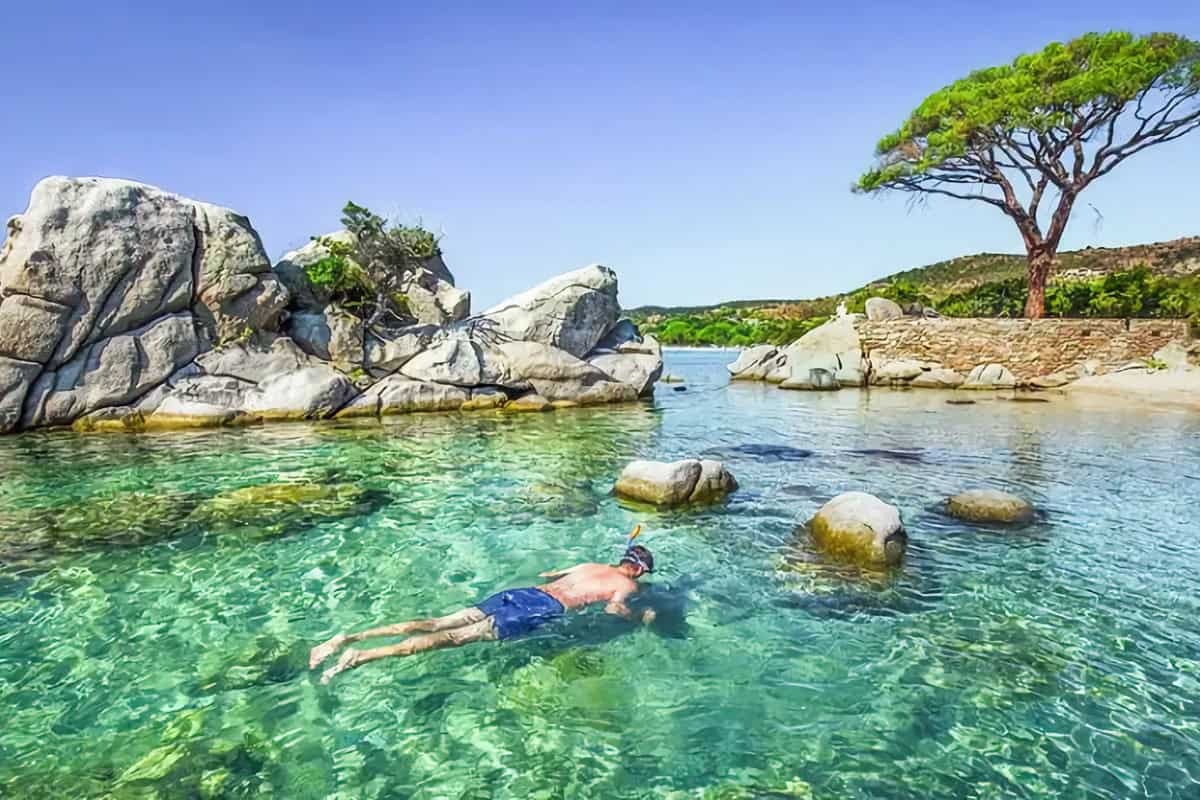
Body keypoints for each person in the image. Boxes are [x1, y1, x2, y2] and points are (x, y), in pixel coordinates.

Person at [310, 544, 657, 684]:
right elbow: (614, 607)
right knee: (451, 640)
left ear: (624, 559)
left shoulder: (590, 563)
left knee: (437, 623)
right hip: (541, 609)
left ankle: (348, 638)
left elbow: (547, 575)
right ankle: (360, 657)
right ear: (639, 571)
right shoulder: (629, 586)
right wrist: (639, 618)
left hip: (524, 593)